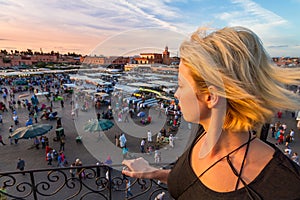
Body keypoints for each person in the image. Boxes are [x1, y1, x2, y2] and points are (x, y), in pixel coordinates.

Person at [122, 26, 300, 199]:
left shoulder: (286, 186)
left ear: (211, 97)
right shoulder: (203, 134)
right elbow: (193, 184)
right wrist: (155, 173)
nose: (176, 94)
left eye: (182, 85)